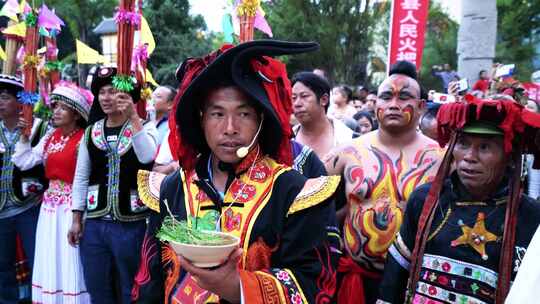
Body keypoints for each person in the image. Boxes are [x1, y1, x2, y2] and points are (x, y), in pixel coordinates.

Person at [132, 40, 341, 303]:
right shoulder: (173, 187)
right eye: (217, 114)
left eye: (244, 114)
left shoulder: (293, 191)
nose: (230, 128)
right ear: (201, 120)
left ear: (261, 120)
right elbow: (149, 281)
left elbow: (316, 285)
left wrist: (235, 286)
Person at [377, 95, 540, 304]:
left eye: (484, 147)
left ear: (509, 155)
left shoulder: (530, 217)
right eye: (463, 144)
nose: (470, 157)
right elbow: (394, 281)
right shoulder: (424, 200)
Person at [324, 61, 444, 304]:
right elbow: (309, 204)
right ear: (376, 102)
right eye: (386, 97)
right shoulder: (346, 153)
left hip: (413, 285)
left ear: (421, 106)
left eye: (404, 98)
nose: (393, 105)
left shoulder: (441, 158)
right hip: (355, 283)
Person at [69, 66, 158, 304]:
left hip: (132, 224)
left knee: (131, 286)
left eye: (113, 92)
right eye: (102, 92)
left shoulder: (144, 127)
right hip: (95, 224)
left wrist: (134, 118)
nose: (106, 98)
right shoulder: (91, 132)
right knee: (97, 285)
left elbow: (147, 157)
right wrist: (77, 218)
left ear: (128, 97)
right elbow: (81, 177)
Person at [13, 84, 92, 303]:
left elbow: (84, 178)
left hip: (71, 207)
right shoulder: (51, 136)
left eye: (62, 108)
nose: (55, 111)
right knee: (50, 256)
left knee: (71, 258)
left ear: (76, 113)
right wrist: (23, 138)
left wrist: (79, 215)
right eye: (55, 106)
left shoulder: (84, 138)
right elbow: (25, 160)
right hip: (49, 207)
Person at [0, 74, 49, 303]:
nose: (0, 102)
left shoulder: (39, 127)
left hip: (29, 207)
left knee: (37, 259)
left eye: (4, 97)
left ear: (20, 101)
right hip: (1, 211)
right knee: (2, 264)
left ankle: (35, 299)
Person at [292, 72, 354, 159]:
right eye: (293, 98)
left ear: (324, 100)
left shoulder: (348, 138)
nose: (297, 103)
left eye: (304, 96)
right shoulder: (286, 140)